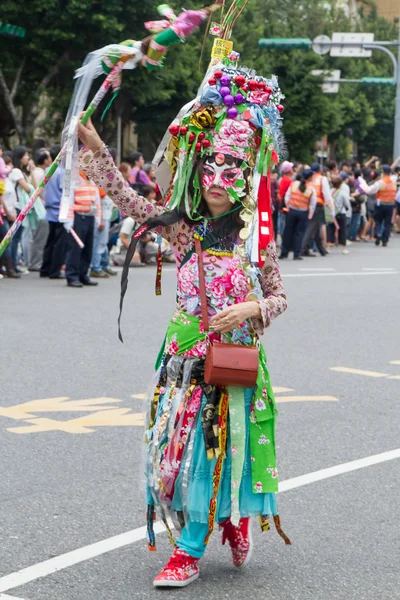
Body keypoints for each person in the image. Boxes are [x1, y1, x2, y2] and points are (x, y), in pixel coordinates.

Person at [77, 60, 290, 588]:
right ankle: (189, 547)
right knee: (185, 449)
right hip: (186, 361)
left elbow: (281, 295)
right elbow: (128, 201)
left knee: (231, 448)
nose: (218, 182)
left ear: (246, 177)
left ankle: (229, 524)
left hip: (236, 360)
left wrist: (254, 309)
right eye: (210, 168)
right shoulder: (182, 230)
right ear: (198, 169)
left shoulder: (254, 239)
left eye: (231, 171)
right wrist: (98, 149)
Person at [65, 172, 102, 287]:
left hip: (90, 215)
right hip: (79, 216)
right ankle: (72, 276)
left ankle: (83, 274)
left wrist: (98, 217)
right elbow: (68, 199)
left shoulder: (91, 178)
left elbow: (97, 199)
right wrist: (69, 219)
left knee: (88, 248)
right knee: (76, 248)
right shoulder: (73, 178)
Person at [40, 145, 68, 279]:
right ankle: (54, 270)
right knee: (59, 243)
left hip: (50, 209)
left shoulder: (48, 170)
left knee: (50, 241)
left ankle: (45, 268)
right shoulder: (63, 172)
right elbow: (64, 192)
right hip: (60, 210)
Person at [279, 168, 316, 260]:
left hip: (291, 211)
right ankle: (297, 253)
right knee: (299, 233)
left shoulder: (294, 184)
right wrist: (310, 215)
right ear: (310, 177)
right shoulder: (311, 189)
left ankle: (284, 253)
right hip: (303, 213)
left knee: (287, 232)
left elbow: (287, 197)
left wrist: (288, 207)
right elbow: (312, 204)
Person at [301, 162, 335, 257]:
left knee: (314, 227)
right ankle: (302, 248)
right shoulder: (322, 179)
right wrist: (331, 207)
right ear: (320, 170)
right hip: (317, 204)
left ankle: (321, 249)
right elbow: (327, 194)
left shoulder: (309, 178)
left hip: (307, 203)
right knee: (311, 227)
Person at [8, 146, 32, 271]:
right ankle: (13, 264)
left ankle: (14, 263)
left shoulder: (18, 171)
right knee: (15, 238)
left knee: (15, 238)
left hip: (18, 207)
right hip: (17, 207)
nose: (28, 158)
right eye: (26, 155)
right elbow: (27, 188)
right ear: (20, 157)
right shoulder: (16, 171)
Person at [28, 149, 52, 271]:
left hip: (40, 208)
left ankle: (35, 262)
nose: (50, 160)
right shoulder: (40, 173)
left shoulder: (38, 172)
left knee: (38, 237)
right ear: (43, 160)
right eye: (48, 158)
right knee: (39, 238)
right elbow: (41, 191)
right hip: (40, 208)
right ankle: (35, 263)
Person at [361, 165, 396, 247]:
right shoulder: (393, 181)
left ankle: (378, 235)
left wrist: (363, 185)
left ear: (382, 172)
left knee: (378, 221)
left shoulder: (380, 182)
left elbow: (369, 191)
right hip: (390, 205)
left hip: (381, 204)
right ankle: (385, 240)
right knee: (387, 223)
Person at [329, 175, 351, 254]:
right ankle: (344, 247)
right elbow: (347, 203)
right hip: (341, 212)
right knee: (343, 230)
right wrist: (347, 208)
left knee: (331, 229)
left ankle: (329, 246)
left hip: (331, 213)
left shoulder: (329, 191)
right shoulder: (342, 193)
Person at [348, 169, 367, 242]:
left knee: (352, 221)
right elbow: (363, 191)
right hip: (357, 204)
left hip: (351, 203)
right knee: (356, 221)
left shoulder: (349, 183)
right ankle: (353, 236)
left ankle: (350, 235)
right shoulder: (358, 183)